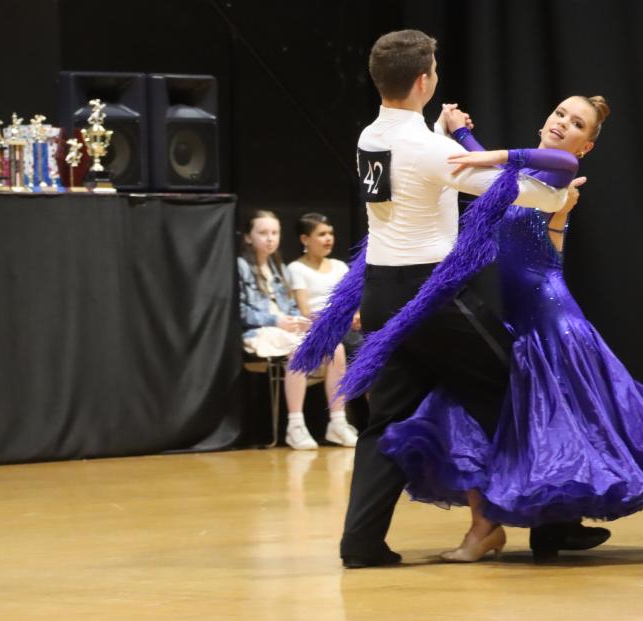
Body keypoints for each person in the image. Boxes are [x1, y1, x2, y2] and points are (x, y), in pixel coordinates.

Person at [378, 95, 643, 562]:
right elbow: (492, 177)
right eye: (561, 113)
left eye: (577, 123)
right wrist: (461, 132)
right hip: (519, 321)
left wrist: (491, 151)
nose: (563, 123)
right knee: (511, 418)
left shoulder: (562, 170)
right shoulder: (522, 180)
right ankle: (488, 529)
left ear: (585, 146)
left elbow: (525, 163)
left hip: (555, 322)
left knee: (602, 418)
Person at [312, 30, 606, 569]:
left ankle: (361, 543)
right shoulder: (430, 148)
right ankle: (553, 524)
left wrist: (459, 136)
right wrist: (562, 192)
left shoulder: (369, 138)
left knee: (386, 423)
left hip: (383, 296)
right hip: (434, 301)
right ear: (425, 80)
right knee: (521, 389)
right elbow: (533, 191)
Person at [237, 210, 358, 450]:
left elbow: (288, 305)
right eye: (263, 233)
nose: (270, 238)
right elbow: (240, 310)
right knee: (299, 348)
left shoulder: (277, 266)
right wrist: (277, 319)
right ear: (249, 237)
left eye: (274, 233)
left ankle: (337, 421)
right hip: (259, 331)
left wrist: (295, 319)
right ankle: (295, 424)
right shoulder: (242, 266)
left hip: (284, 329)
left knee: (336, 348)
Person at [288, 212, 367, 428]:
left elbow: (354, 301)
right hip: (320, 329)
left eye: (330, 233)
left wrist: (357, 315)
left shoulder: (340, 266)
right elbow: (305, 310)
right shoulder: (297, 269)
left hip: (348, 327)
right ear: (305, 239)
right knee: (353, 351)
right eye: (321, 234)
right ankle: (339, 422)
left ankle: (373, 419)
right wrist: (339, 320)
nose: (328, 239)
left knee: (375, 355)